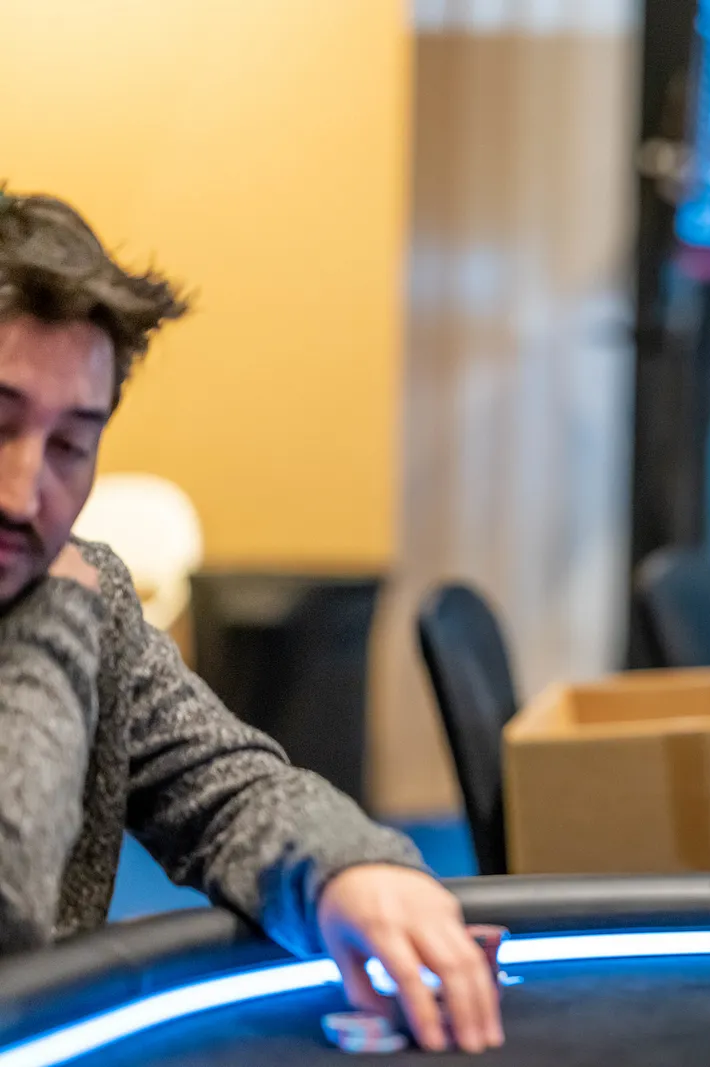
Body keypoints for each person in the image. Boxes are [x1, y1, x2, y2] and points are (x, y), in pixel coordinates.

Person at [0, 189, 502, 1053]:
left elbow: (228, 786)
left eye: (71, 445)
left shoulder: (81, 593)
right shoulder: (66, 600)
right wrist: (55, 627)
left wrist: (350, 868)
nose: (22, 493)